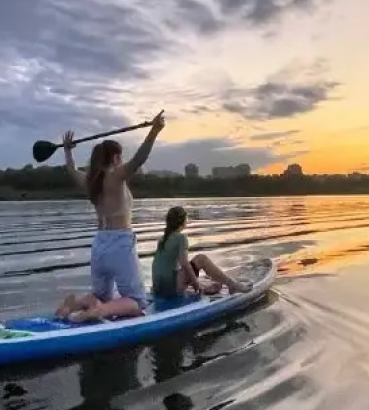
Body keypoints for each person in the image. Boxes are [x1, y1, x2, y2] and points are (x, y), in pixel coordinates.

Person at [54, 111, 165, 323]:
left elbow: (71, 170)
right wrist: (154, 131)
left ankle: (75, 303)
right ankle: (100, 310)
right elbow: (139, 159)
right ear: (115, 158)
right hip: (120, 242)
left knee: (101, 295)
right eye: (120, 157)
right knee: (137, 301)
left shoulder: (90, 181)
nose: (122, 161)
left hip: (99, 244)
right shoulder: (115, 176)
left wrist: (68, 151)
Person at [151, 205, 249, 301]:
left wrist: (193, 281)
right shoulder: (181, 238)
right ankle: (233, 285)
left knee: (196, 274)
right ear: (183, 221)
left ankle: (212, 285)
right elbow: (185, 264)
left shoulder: (162, 239)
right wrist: (196, 284)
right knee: (201, 259)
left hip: (158, 288)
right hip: (170, 289)